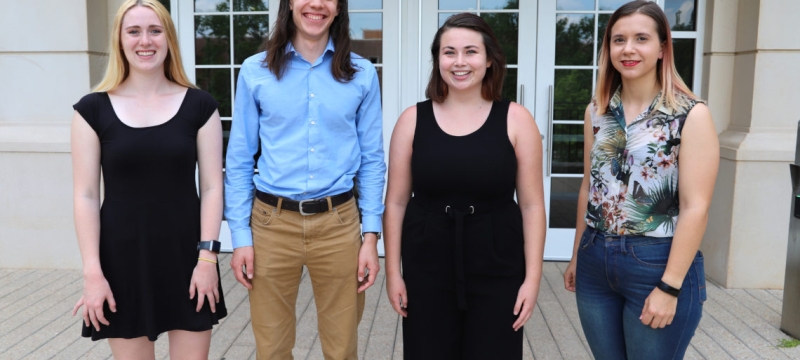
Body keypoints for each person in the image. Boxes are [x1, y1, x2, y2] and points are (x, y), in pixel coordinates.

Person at [223, 0, 385, 358]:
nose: (317, 4)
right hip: (270, 225)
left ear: (339, 8)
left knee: (342, 348)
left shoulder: (361, 73)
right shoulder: (256, 70)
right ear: (290, 4)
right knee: (272, 348)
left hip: (339, 224)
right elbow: (238, 159)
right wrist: (240, 236)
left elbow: (373, 159)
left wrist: (371, 236)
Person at [383, 13, 547, 359]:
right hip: (426, 261)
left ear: (489, 60)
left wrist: (532, 279)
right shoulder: (412, 120)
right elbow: (396, 203)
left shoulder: (517, 119)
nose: (459, 62)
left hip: (498, 261)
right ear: (437, 60)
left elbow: (532, 206)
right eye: (449, 52)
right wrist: (392, 273)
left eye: (471, 51)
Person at [562, 1, 719, 359]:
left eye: (641, 38)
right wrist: (576, 256)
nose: (628, 49)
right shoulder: (596, 111)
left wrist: (670, 286)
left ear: (662, 48)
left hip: (658, 262)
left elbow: (697, 207)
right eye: (619, 40)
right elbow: (590, 186)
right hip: (595, 259)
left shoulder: (690, 115)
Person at [70, 0, 227, 358]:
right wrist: (92, 273)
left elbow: (213, 187)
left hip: (187, 259)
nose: (146, 41)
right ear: (120, 41)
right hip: (121, 262)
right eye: (134, 31)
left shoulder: (200, 106)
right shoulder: (92, 109)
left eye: (155, 31)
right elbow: (86, 196)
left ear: (168, 39)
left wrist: (208, 260)